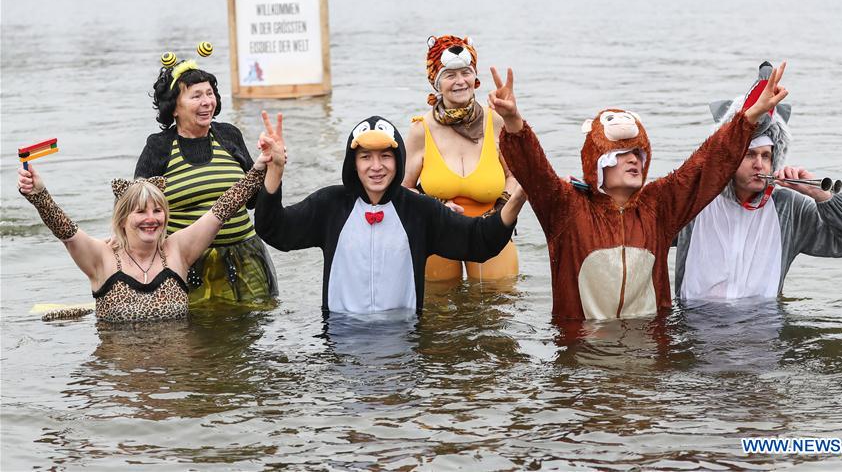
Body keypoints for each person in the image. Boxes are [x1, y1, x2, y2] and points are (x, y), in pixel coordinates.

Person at [490, 62, 789, 321]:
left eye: (638, 153)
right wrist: (515, 122)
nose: (633, 159)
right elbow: (535, 172)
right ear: (598, 162)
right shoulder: (567, 207)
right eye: (621, 153)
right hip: (582, 355)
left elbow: (705, 165)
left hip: (648, 356)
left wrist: (748, 118)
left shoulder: (657, 206)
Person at [253, 112, 527, 315]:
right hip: (341, 334)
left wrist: (519, 197)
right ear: (353, 163)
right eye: (365, 157)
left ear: (399, 161)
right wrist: (275, 170)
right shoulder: (330, 205)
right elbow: (275, 230)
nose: (376, 167)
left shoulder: (420, 210)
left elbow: (478, 241)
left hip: (403, 338)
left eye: (385, 156)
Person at [17, 135, 270, 323]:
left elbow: (222, 209)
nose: (151, 219)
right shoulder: (102, 258)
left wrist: (259, 167)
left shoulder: (177, 250)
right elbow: (66, 231)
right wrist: (39, 194)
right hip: (122, 383)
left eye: (157, 211)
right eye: (140, 211)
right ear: (123, 218)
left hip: (176, 380)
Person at [674, 62, 842, 301]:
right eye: (749, 154)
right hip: (695, 324)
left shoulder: (788, 207)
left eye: (766, 156)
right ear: (729, 157)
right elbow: (641, 226)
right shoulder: (696, 199)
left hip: (763, 326)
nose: (760, 164)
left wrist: (819, 195)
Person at [135, 49, 278, 306]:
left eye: (210, 94)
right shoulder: (159, 146)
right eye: (196, 96)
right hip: (185, 262)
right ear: (175, 107)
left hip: (244, 257)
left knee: (251, 333)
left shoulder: (229, 136)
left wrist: (273, 165)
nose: (207, 102)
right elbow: (134, 209)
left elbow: (255, 200)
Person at [403, 35, 520, 282]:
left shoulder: (497, 121)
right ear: (436, 82)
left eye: (466, 72)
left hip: (492, 230)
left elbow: (516, 176)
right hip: (437, 232)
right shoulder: (420, 130)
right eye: (449, 75)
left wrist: (499, 212)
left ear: (475, 78)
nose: (460, 81)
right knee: (439, 311)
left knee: (500, 303)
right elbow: (402, 189)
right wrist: (436, 207)